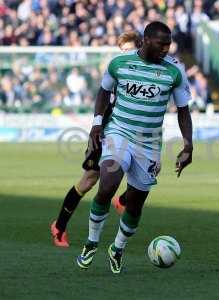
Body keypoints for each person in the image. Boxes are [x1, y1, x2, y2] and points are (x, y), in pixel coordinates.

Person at [76, 21, 193, 274]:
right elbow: (103, 92)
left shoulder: (174, 71)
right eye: (161, 44)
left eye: (168, 44)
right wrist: (97, 125)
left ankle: (117, 248)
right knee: (107, 183)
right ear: (146, 41)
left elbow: (183, 111)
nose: (166, 48)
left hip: (149, 144)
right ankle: (91, 242)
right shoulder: (120, 63)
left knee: (135, 204)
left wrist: (188, 145)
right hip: (118, 132)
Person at [50, 31, 142, 247]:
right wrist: (97, 125)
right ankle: (59, 226)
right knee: (89, 180)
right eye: (123, 51)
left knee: (146, 172)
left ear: (141, 48)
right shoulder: (117, 69)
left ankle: (121, 200)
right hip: (107, 131)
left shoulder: (147, 72)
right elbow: (102, 97)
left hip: (135, 133)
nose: (125, 55)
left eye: (129, 50)